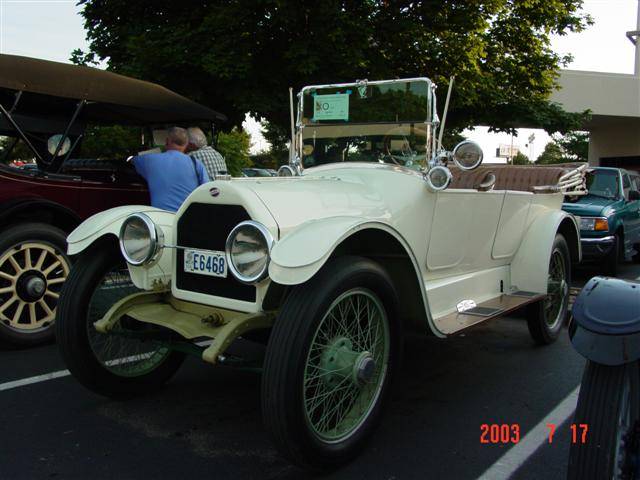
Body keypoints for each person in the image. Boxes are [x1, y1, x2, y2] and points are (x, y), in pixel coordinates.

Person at [133, 126, 209, 212]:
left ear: (167, 141)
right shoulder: (196, 164)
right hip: (187, 218)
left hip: (161, 217)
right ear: (187, 144)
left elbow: (132, 160)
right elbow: (206, 190)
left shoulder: (149, 160)